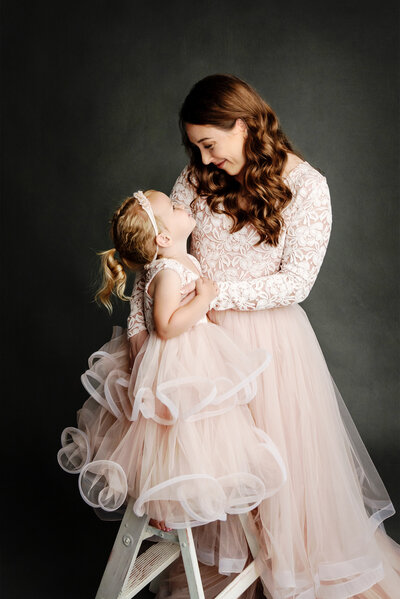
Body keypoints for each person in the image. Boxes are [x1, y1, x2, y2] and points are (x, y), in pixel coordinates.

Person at [128, 75, 400, 598]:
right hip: (193, 343)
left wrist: (206, 296)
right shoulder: (196, 177)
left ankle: (294, 572)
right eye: (196, 147)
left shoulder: (309, 187)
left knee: (278, 476)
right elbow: (160, 255)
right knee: (215, 465)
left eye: (210, 144)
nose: (203, 160)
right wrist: (144, 333)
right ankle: (232, 570)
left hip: (267, 348)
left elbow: (296, 282)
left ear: (246, 123)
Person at [57, 188, 288, 539]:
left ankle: (203, 485)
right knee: (171, 433)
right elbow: (166, 325)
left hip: (196, 355)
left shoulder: (181, 262)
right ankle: (163, 501)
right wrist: (205, 298)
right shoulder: (166, 272)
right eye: (175, 206)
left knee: (199, 428)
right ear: (163, 236)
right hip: (176, 361)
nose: (183, 205)